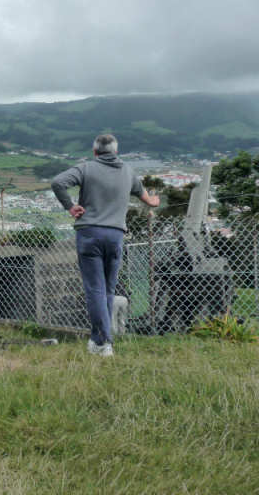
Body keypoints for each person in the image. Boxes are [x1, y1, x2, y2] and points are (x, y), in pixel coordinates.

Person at [51, 134, 159, 357]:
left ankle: (102, 343)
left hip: (90, 234)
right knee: (107, 290)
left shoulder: (86, 168)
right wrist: (154, 201)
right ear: (115, 152)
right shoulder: (128, 171)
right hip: (116, 236)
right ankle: (98, 340)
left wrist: (70, 206)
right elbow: (146, 197)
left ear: (95, 152)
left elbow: (58, 182)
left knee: (95, 290)